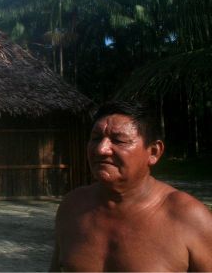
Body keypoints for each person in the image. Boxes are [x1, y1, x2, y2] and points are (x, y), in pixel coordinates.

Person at [50, 101, 212, 272]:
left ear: (154, 152)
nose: (101, 149)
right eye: (96, 138)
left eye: (118, 140)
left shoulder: (188, 217)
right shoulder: (72, 207)